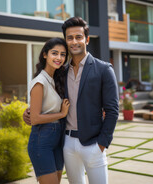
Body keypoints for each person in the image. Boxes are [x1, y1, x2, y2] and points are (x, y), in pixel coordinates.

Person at [24, 17, 119, 184]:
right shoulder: (61, 72)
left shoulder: (104, 69)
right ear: (66, 41)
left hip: (93, 145)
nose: (74, 42)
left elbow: (112, 111)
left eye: (78, 37)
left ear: (87, 39)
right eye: (69, 38)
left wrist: (102, 145)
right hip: (66, 144)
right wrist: (29, 112)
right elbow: (47, 98)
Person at [27, 37, 71, 184]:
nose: (59, 58)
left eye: (63, 54)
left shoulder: (56, 79)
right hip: (42, 141)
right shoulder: (39, 82)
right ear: (45, 54)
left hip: (58, 140)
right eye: (54, 53)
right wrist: (62, 114)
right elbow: (35, 119)